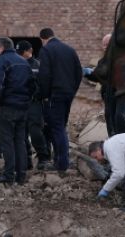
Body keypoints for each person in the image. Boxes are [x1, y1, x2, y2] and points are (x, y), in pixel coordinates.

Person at [37, 27, 82, 172]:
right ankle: (59, 160)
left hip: (54, 95)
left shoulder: (46, 50)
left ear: (42, 39)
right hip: (67, 95)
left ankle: (62, 164)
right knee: (60, 126)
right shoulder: (70, 50)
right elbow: (79, 73)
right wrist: (72, 91)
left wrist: (44, 95)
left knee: (57, 128)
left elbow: (44, 75)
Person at [0, 37, 33, 185]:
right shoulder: (23, 61)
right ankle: (21, 176)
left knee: (7, 142)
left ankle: (8, 175)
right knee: (20, 141)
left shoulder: (0, 61)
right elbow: (33, 85)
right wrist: (27, 101)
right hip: (23, 108)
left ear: (1, 48)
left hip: (7, 107)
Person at [84, 32, 125, 136]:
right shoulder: (103, 61)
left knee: (120, 116)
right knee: (109, 117)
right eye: (104, 44)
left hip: (122, 92)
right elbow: (99, 77)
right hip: (108, 94)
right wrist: (88, 73)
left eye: (108, 44)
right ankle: (113, 139)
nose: (105, 47)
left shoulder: (122, 58)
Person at [16, 40, 52, 170]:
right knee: (22, 132)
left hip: (34, 103)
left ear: (29, 51)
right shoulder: (17, 65)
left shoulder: (38, 65)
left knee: (35, 130)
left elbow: (44, 85)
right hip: (21, 103)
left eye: (22, 52)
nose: (20, 55)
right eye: (18, 53)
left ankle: (43, 158)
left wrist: (37, 95)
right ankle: (27, 161)